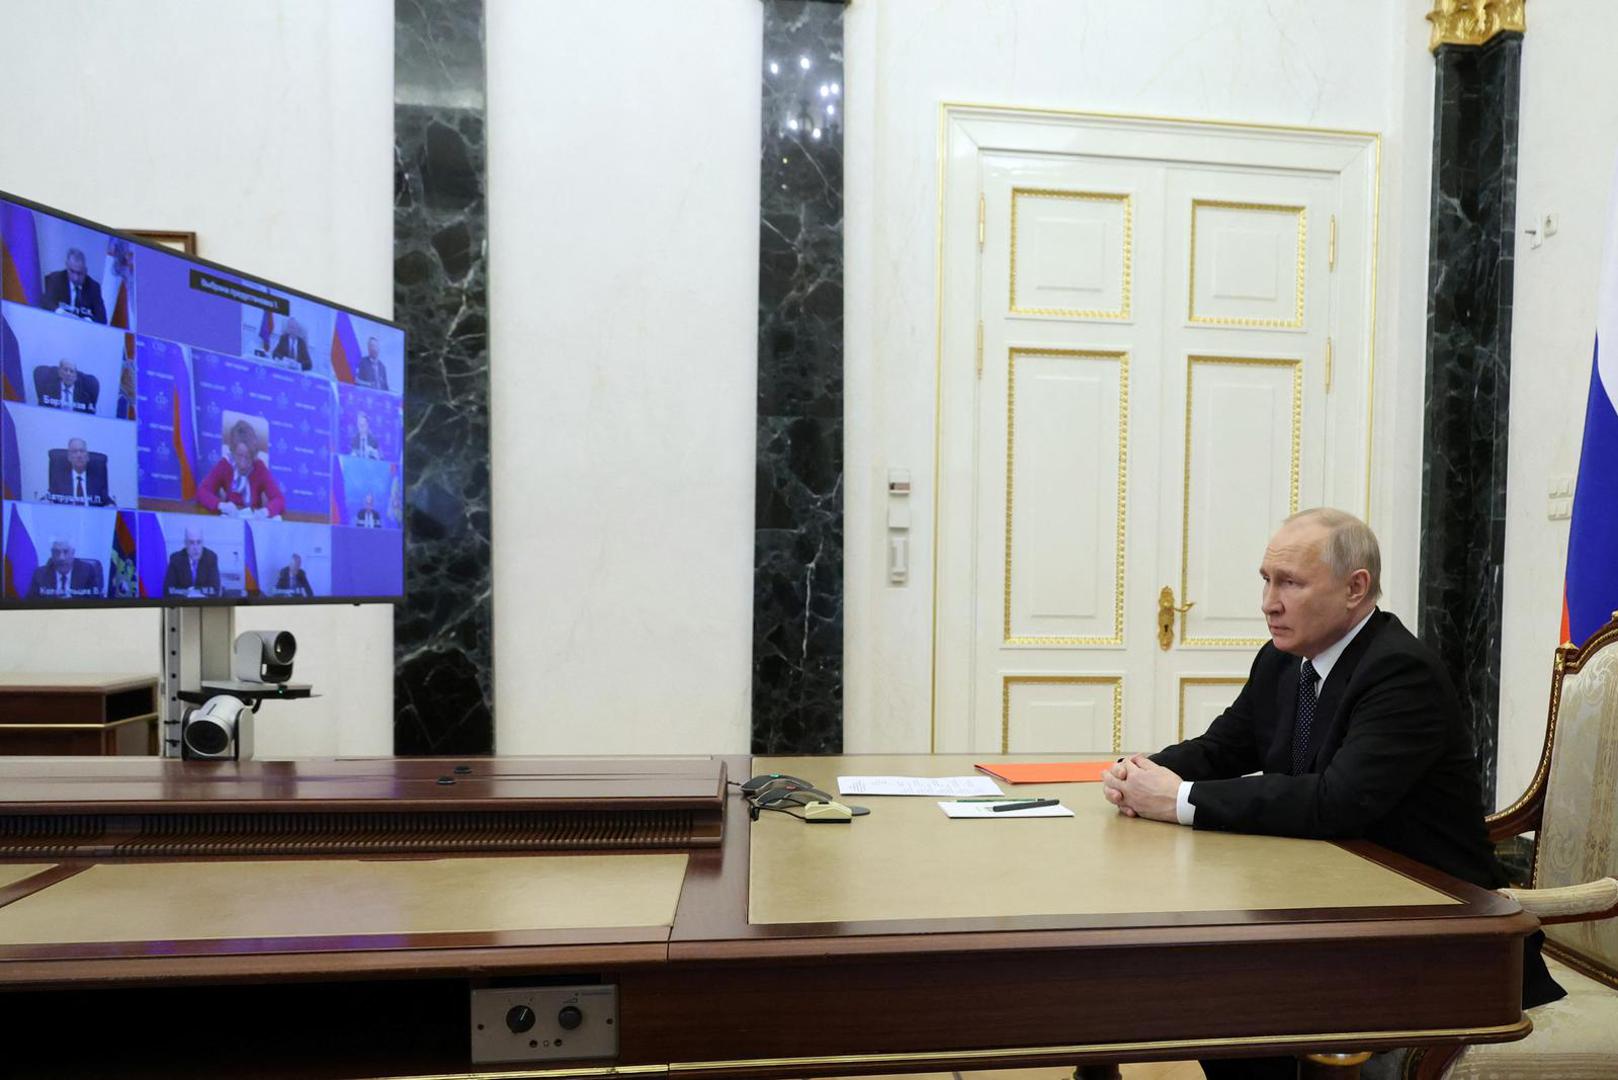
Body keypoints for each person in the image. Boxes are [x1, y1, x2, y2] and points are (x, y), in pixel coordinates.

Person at [1100, 508, 1563, 1080]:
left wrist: (1178, 800)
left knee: (1223, 986)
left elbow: (1333, 802)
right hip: (1324, 909)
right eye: (1265, 580)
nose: (1269, 602)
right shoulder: (1283, 660)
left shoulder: (1399, 671)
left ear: (1355, 588)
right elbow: (1224, 746)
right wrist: (1138, 773)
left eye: (1289, 582)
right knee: (1210, 979)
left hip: (1435, 931)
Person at [196, 431, 285, 518]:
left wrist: (264, 512)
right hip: (229, 520)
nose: (243, 463)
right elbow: (202, 492)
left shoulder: (259, 467)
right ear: (233, 452)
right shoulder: (225, 464)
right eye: (239, 456)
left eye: (247, 457)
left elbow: (279, 499)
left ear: (253, 455)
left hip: (253, 521)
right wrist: (221, 505)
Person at [39, 247, 107, 323]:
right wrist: (62, 313)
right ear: (67, 267)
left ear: (86, 270)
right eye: (72, 272)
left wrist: (87, 321)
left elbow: (102, 319)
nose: (76, 278)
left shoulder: (94, 287)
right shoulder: (55, 279)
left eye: (80, 273)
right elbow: (46, 303)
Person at [47, 437, 114, 506]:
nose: (79, 455)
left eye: (82, 451)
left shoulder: (97, 481)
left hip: (91, 516)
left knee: (121, 516)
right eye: (74, 451)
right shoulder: (59, 480)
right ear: (69, 457)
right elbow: (49, 497)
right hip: (66, 515)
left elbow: (107, 501)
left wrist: (111, 505)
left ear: (87, 457)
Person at [26, 539, 102, 599]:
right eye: (57, 552)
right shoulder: (40, 573)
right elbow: (31, 602)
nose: (61, 558)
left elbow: (95, 600)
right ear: (52, 554)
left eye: (66, 552)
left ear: (73, 553)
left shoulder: (87, 571)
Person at [163, 527, 220, 598]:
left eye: (199, 542)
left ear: (203, 543)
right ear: (185, 543)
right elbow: (168, 590)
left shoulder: (211, 558)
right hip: (183, 604)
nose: (196, 548)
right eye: (191, 543)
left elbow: (215, 589)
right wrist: (189, 595)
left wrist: (193, 593)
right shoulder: (176, 559)